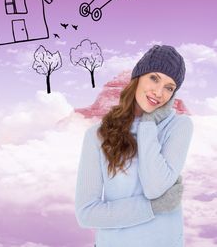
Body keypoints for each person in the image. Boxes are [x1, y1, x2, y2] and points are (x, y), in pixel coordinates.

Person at [75, 45, 193, 247]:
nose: (158, 91)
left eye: (169, 87)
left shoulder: (179, 127)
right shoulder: (97, 135)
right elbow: (87, 214)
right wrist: (153, 207)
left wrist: (147, 124)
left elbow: (154, 187)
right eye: (154, 78)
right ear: (138, 77)